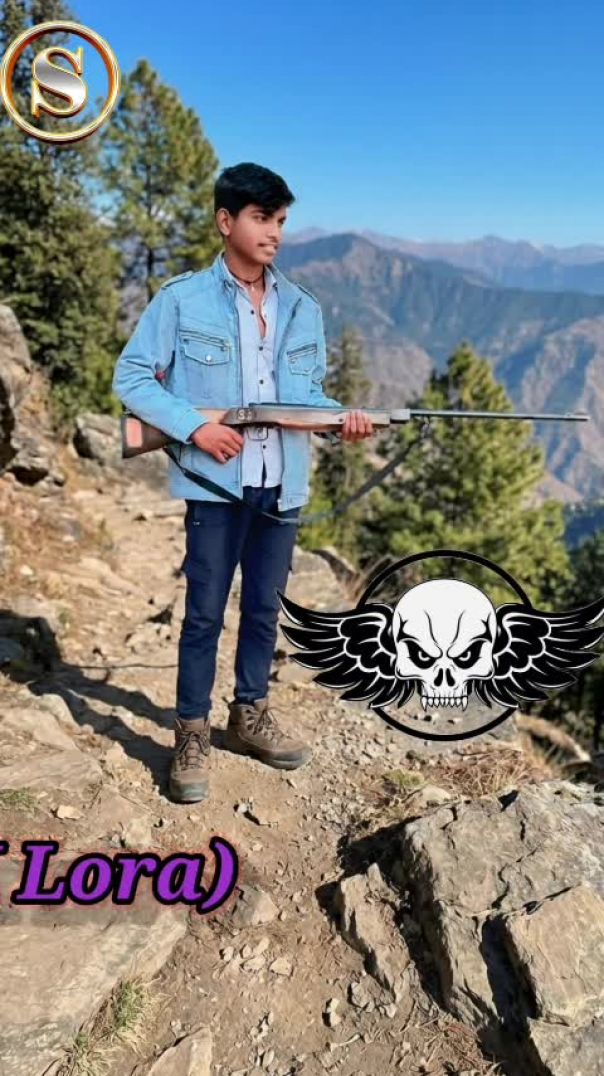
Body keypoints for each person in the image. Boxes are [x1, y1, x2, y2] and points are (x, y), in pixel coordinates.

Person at [112, 162, 375, 804]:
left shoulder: (303, 308)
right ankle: (191, 732)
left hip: (282, 485)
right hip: (215, 486)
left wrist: (342, 419)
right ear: (225, 221)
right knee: (204, 613)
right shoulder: (181, 300)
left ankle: (250, 712)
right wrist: (195, 429)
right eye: (262, 218)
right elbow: (132, 378)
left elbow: (305, 398)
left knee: (263, 609)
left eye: (281, 220)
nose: (275, 232)